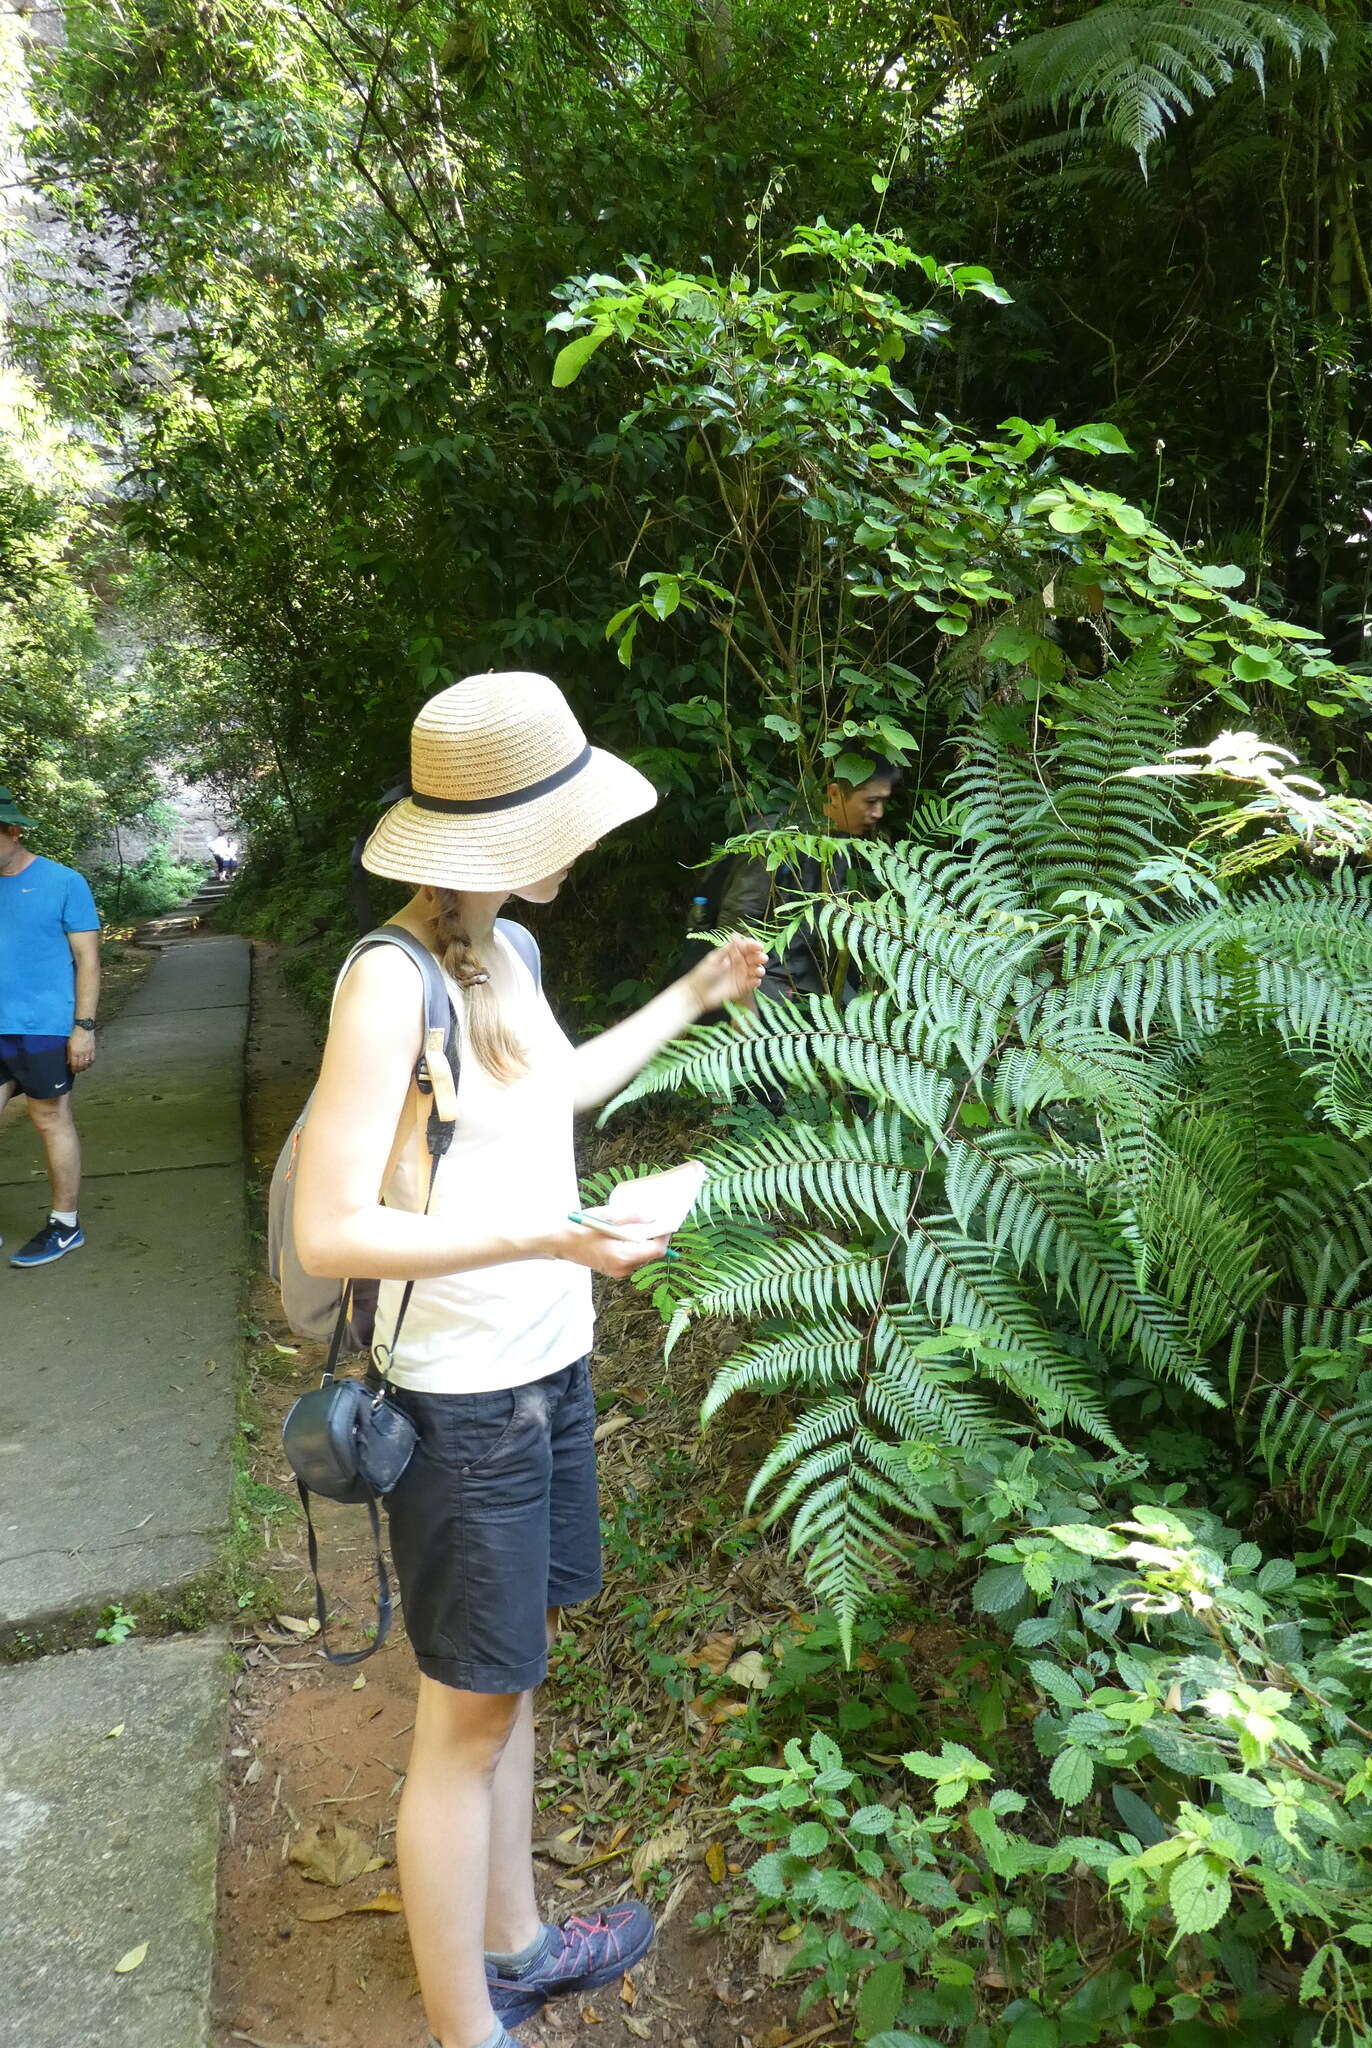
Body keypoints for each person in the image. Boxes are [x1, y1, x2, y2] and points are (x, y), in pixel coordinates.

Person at [292, 672, 765, 2048]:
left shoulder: (506, 954)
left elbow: (550, 1095)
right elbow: (334, 1226)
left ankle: (516, 1942)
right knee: (464, 1724)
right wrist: (560, 1242)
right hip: (461, 1406)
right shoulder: (389, 984)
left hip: (549, 1373)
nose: (583, 839)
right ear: (499, 833)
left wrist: (692, 990)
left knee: (510, 1680)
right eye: (563, 816)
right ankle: (469, 2027)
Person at [0, 786, 100, 1268]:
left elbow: (87, 959)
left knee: (49, 1118)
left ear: (13, 831)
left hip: (44, 1026)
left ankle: (65, 1225)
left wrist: (83, 1026)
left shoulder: (63, 881)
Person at [713, 756, 901, 1005]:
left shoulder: (839, 844)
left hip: (805, 987)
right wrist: (753, 1007)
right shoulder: (776, 838)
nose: (878, 813)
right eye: (870, 801)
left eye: (882, 802)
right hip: (766, 991)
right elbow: (735, 926)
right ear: (834, 794)